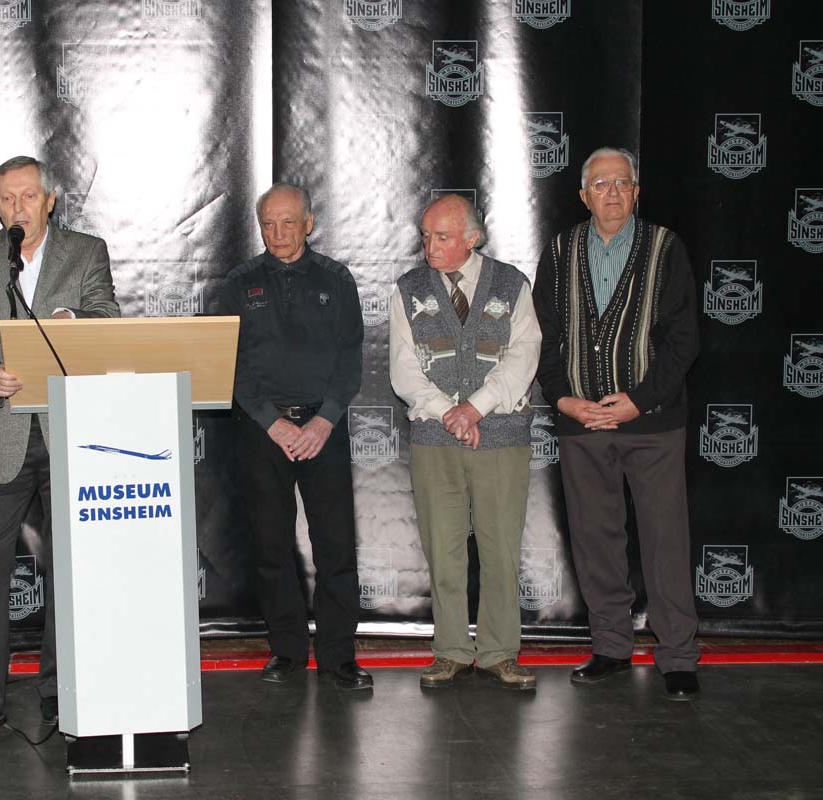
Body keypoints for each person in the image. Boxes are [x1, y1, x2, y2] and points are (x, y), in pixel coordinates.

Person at [0, 155, 120, 742]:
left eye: (27, 196)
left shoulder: (86, 252)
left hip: (70, 428)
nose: (16, 207)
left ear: (50, 200)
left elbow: (108, 315)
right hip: (1, 432)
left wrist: (74, 318)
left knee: (72, 568)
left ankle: (61, 692)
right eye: (6, 198)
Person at [533, 146, 701, 701]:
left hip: (652, 423)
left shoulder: (665, 247)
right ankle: (610, 645)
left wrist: (639, 400)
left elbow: (683, 341)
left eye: (622, 183)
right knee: (595, 540)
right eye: (601, 184)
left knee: (665, 540)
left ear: (636, 192)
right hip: (582, 424)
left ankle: (678, 656)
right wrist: (563, 400)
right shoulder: (560, 251)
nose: (612, 192)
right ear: (583, 196)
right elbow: (543, 338)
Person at [217, 183, 372, 690]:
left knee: (336, 546)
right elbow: (229, 362)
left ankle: (338, 657)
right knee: (272, 546)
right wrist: (272, 422)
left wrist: (324, 421)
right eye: (268, 224)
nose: (278, 233)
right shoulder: (239, 283)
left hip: (324, 430)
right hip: (264, 432)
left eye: (288, 222)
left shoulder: (336, 279)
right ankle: (286, 651)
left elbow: (350, 358)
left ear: (309, 223)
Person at [389, 194, 541, 691]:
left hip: (501, 437)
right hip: (435, 439)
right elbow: (403, 369)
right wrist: (449, 414)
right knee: (443, 548)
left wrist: (475, 407)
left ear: (473, 238)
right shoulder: (408, 289)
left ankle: (500, 652)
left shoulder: (511, 284)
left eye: (442, 237)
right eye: (425, 236)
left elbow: (524, 355)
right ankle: (451, 649)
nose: (430, 246)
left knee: (500, 549)